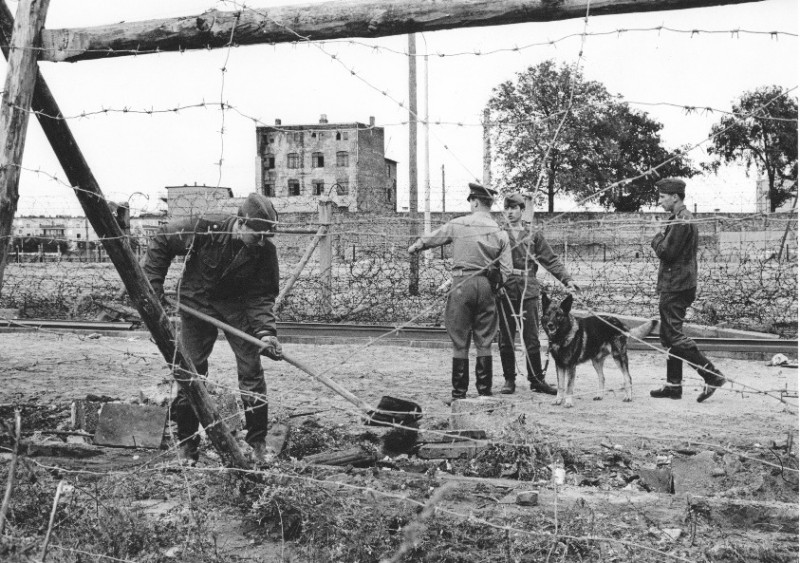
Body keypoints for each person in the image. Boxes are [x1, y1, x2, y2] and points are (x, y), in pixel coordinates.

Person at [144, 193, 284, 463]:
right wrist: (154, 287)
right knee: (191, 371)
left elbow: (262, 296)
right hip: (196, 305)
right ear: (241, 223)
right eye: (258, 235)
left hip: (236, 308)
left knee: (250, 371)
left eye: (267, 236)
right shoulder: (207, 226)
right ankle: (187, 445)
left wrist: (266, 333)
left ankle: (256, 443)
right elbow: (163, 239)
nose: (262, 242)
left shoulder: (265, 250)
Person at [408, 182, 512, 400]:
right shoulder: (500, 232)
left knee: (459, 339)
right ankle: (484, 393)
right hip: (486, 287)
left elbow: (433, 239)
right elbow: (507, 270)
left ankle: (459, 394)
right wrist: (495, 283)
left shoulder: (459, 224)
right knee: (484, 341)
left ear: (474, 202)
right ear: (490, 204)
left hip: (461, 284)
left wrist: (416, 246)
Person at [649, 178, 726, 403]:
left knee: (672, 335)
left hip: (676, 285)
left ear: (675, 197)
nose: (659, 201)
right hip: (679, 283)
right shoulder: (680, 218)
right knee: (669, 334)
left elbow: (667, 253)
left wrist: (656, 235)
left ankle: (711, 375)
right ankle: (674, 385)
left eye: (662, 197)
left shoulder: (681, 221)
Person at [497, 193, 580, 395]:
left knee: (531, 336)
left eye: (514, 208)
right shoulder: (498, 233)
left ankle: (536, 379)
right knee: (506, 336)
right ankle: (509, 380)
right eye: (507, 208)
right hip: (505, 289)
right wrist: (495, 283)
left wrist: (567, 280)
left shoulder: (533, 234)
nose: (510, 212)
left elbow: (549, 259)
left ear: (522, 210)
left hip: (528, 289)